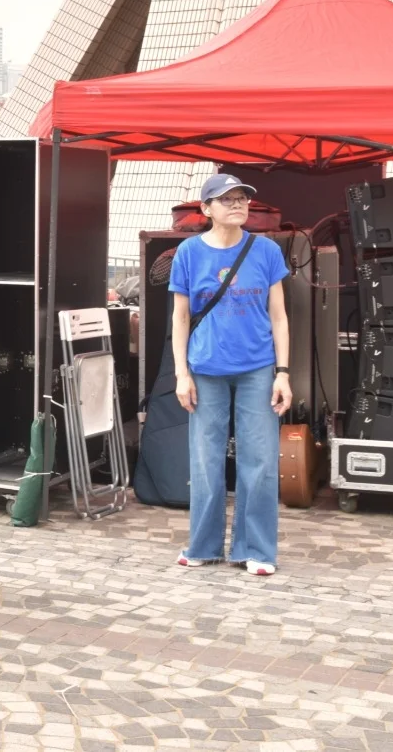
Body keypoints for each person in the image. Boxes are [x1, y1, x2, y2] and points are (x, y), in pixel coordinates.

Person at [171, 173, 292, 577]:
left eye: (242, 198)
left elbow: (279, 316)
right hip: (205, 368)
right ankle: (203, 547)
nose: (238, 204)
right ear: (206, 209)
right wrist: (181, 373)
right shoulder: (188, 252)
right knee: (205, 461)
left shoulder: (266, 251)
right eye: (227, 199)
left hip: (258, 367)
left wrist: (283, 373)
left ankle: (256, 550)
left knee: (260, 460)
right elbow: (181, 317)